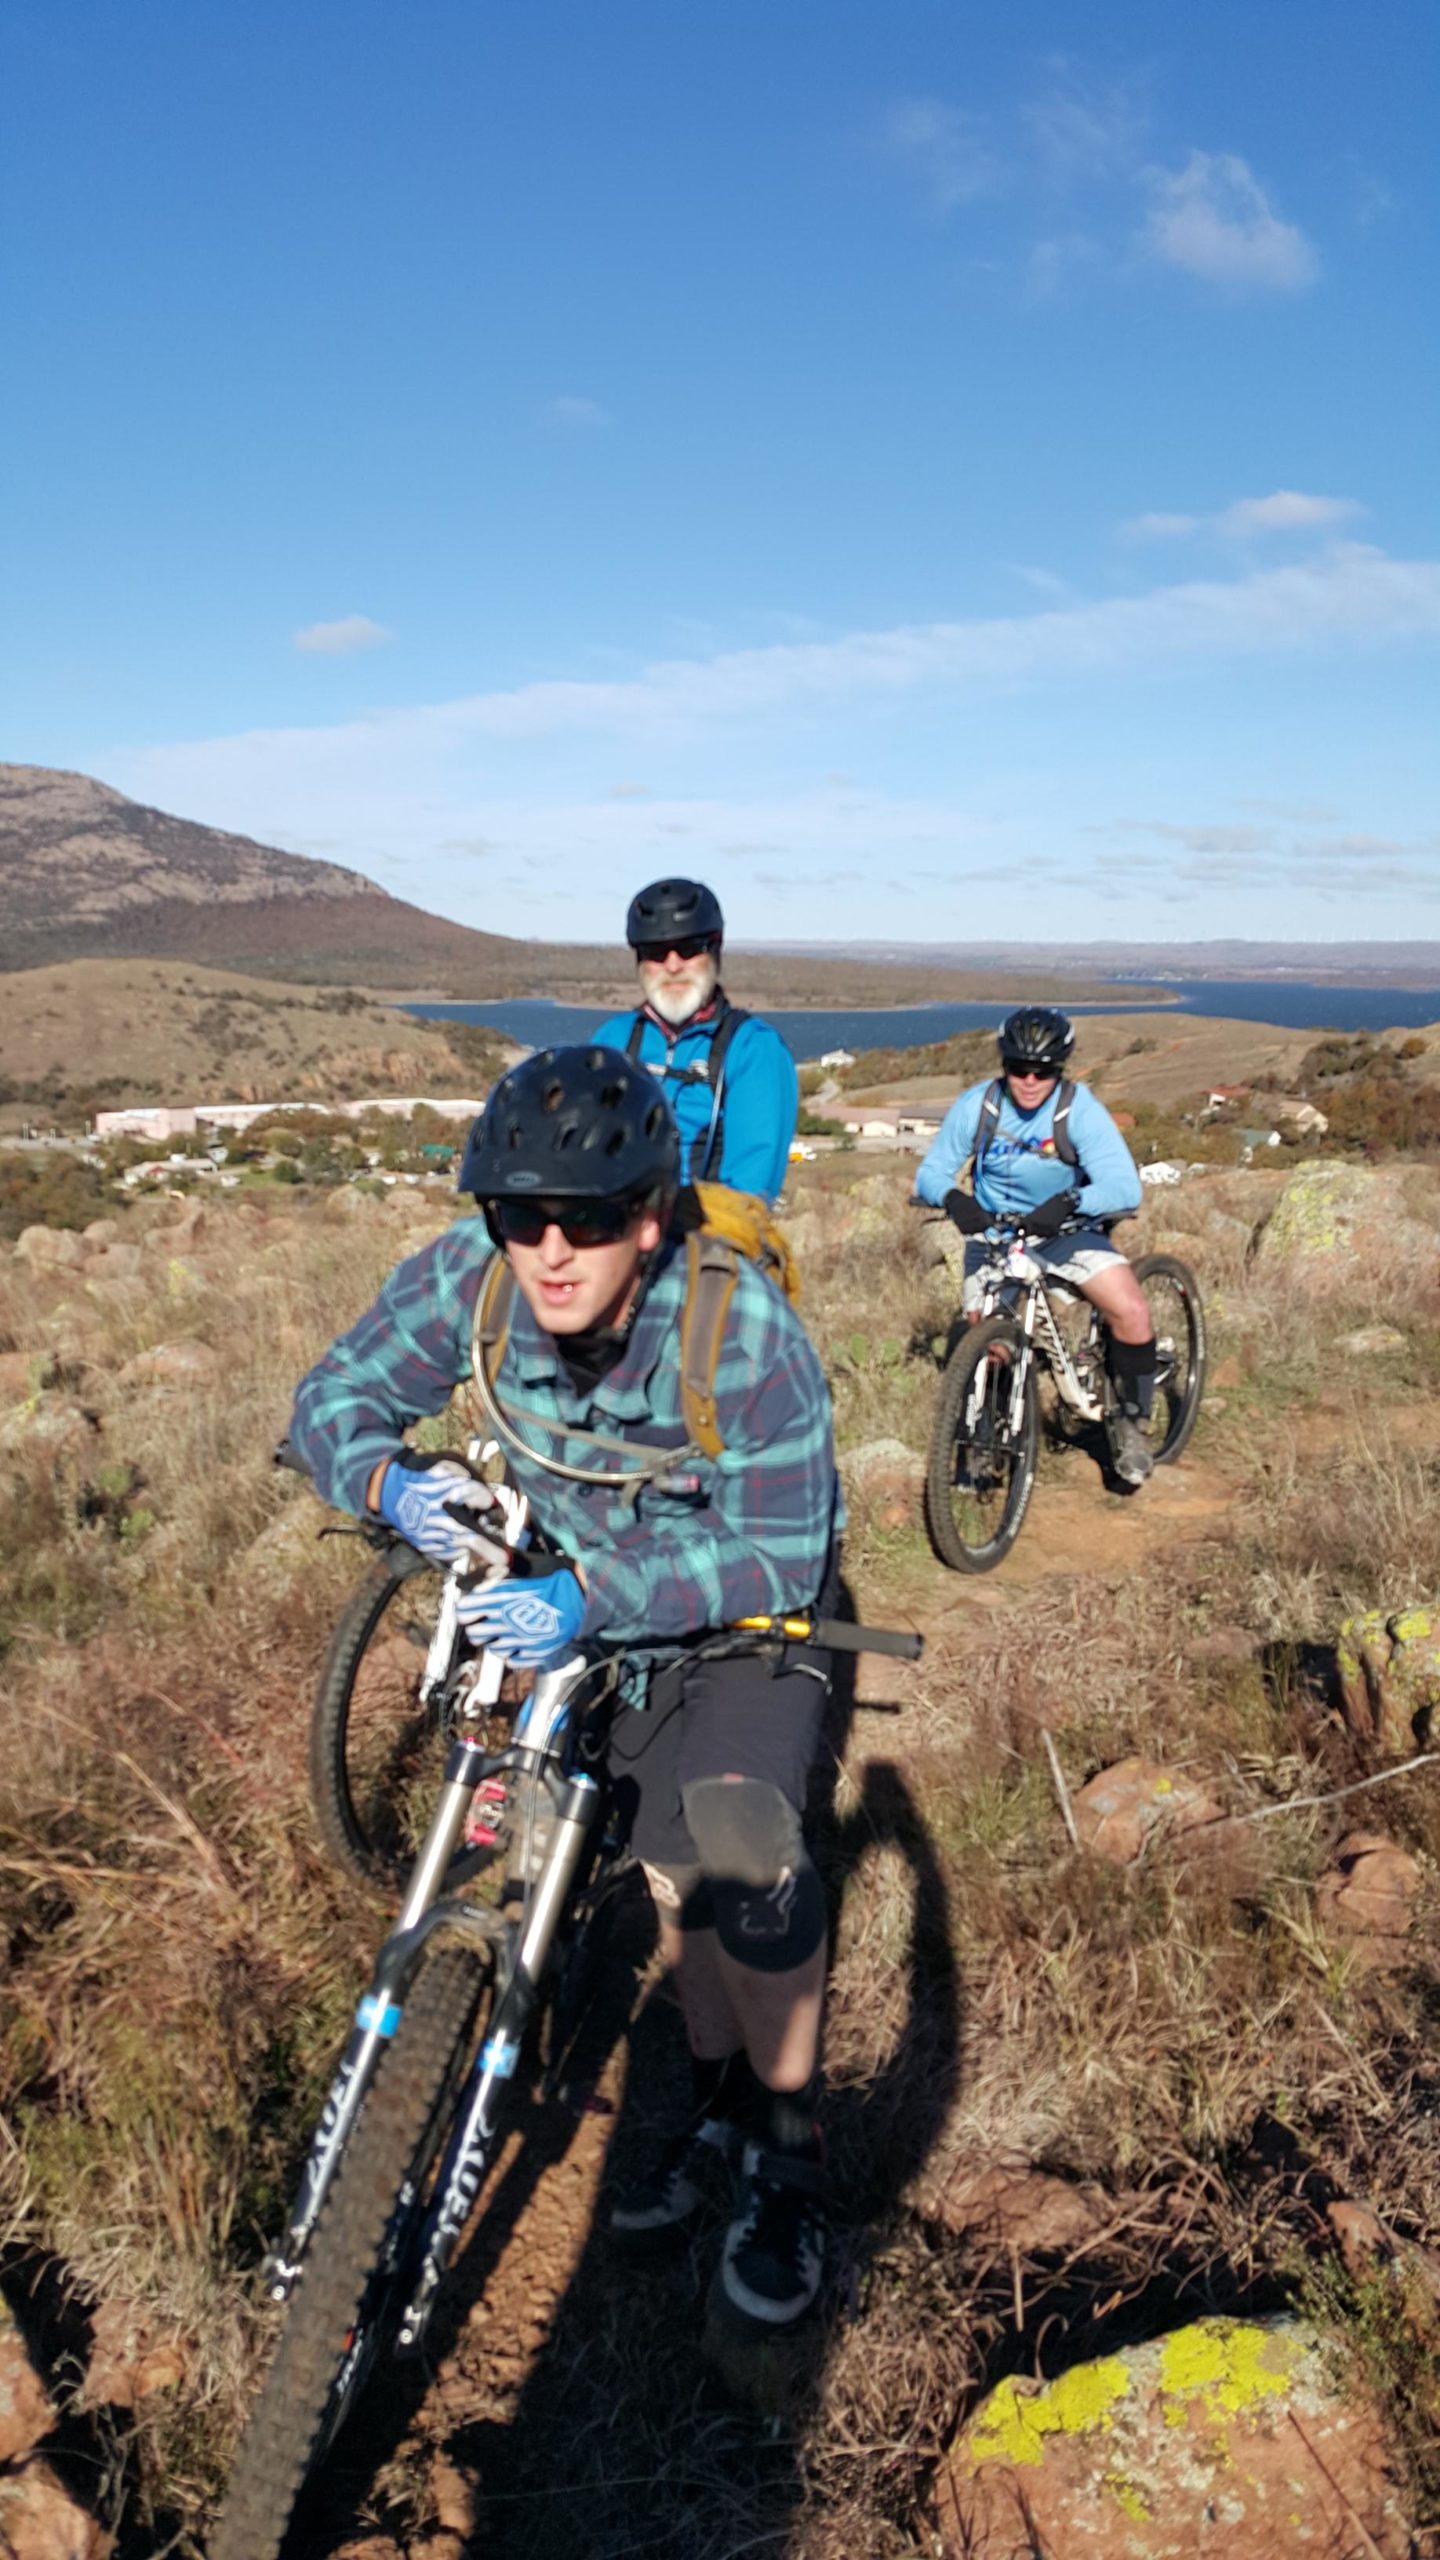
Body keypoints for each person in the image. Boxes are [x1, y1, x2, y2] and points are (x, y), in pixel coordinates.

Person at [287, 1045, 842, 2333]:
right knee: (668, 1877)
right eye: (519, 1215)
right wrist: (385, 1483)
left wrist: (596, 1594)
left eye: (587, 1218)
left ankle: (790, 2147)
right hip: (584, 1622)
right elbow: (333, 1395)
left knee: (743, 1840)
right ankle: (717, 2106)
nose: (550, 1250)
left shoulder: (738, 1327)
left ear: (650, 1215)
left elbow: (781, 1547)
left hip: (730, 1614)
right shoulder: (472, 1289)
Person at [913, 1005, 1157, 1485]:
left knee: (1130, 1312)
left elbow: (1125, 1188)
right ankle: (987, 1438)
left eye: (1042, 1071)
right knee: (990, 1342)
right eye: (1017, 1069)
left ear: (1058, 1069)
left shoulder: (1077, 1109)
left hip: (1067, 1232)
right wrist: (952, 1198)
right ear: (1003, 1065)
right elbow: (929, 1173)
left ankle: (1132, 1423)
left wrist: (1071, 1201)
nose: (1028, 1081)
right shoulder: (979, 1106)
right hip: (996, 1233)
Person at [592, 878, 798, 1204]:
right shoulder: (612, 1039)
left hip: (703, 1234)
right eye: (656, 952)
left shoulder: (754, 1049)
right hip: (609, 1225)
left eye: (689, 948)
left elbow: (749, 1193)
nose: (673, 965)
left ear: (715, 949)